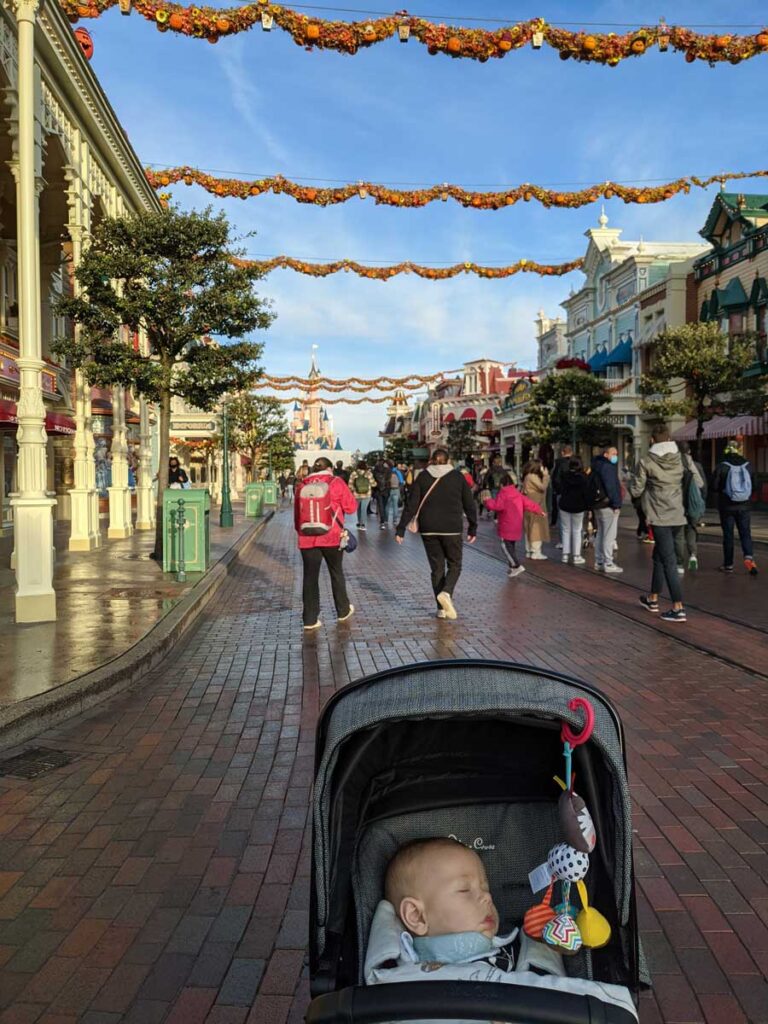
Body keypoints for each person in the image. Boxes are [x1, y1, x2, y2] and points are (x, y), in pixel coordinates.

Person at [396, 448, 477, 620]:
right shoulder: (457, 477)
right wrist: (473, 527)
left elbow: (411, 504)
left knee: (437, 568)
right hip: (452, 528)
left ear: (432, 460)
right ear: (448, 461)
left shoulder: (423, 477)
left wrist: (401, 528)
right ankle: (446, 593)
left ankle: (441, 608)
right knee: (455, 564)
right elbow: (469, 503)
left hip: (429, 528)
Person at [629, 426, 687, 622]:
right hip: (678, 514)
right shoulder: (681, 459)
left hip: (659, 515)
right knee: (660, 557)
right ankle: (652, 599)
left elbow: (636, 490)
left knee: (669, 560)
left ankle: (678, 607)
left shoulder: (646, 461)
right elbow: (697, 482)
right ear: (669, 438)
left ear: (653, 440)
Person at [294, 457, 357, 631]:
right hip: (332, 536)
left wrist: (301, 532)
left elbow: (297, 515)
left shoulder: (302, 485)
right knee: (336, 572)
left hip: (307, 537)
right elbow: (351, 507)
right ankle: (342, 610)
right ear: (330, 468)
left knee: (310, 576)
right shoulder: (336, 482)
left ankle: (309, 619)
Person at [711, 439, 758, 576]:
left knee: (728, 535)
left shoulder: (722, 466)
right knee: (745, 533)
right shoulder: (749, 466)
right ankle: (749, 557)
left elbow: (714, 486)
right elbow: (754, 485)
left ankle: (728, 564)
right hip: (744, 506)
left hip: (726, 507)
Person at [484, 473, 545, 578]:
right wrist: (539, 511)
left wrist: (487, 501)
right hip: (516, 524)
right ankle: (512, 567)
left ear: (502, 485)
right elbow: (529, 503)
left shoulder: (503, 495)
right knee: (511, 545)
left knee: (505, 546)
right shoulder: (517, 494)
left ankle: (516, 565)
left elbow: (497, 506)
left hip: (506, 525)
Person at [590, 445, 624, 574]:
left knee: (601, 533)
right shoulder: (608, 467)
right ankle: (608, 562)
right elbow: (612, 487)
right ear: (606, 454)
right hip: (607, 505)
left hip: (598, 505)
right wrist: (616, 504)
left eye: (616, 453)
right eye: (613, 453)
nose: (616, 456)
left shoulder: (596, 465)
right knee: (609, 535)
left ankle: (599, 561)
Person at [674, 441, 706, 572]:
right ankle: (693, 555)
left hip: (679, 505)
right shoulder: (697, 466)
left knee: (679, 534)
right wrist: (701, 502)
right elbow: (703, 487)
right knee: (692, 530)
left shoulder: (674, 465)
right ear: (689, 451)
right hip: (693, 504)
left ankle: (680, 563)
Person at [557, 456, 594, 565]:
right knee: (577, 530)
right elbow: (587, 494)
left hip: (564, 505)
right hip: (578, 506)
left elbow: (559, 488)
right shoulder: (583, 478)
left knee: (565, 529)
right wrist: (589, 508)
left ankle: (565, 554)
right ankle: (576, 555)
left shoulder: (564, 476)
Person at [521, 459, 549, 559]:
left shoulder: (527, 476)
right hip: (536, 504)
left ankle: (529, 550)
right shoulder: (532, 476)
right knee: (536, 527)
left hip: (529, 504)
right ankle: (536, 551)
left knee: (529, 526)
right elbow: (542, 487)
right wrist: (546, 476)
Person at [550, 443, 573, 535]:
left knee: (563, 519)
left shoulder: (559, 464)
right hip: (575, 494)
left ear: (563, 453)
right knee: (576, 523)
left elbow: (556, 479)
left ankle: (563, 542)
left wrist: (558, 490)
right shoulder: (576, 462)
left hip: (562, 493)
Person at [348, 460, 376, 530]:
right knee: (364, 509)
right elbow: (373, 484)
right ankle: (362, 524)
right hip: (367, 494)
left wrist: (354, 489)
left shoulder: (354, 473)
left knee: (358, 509)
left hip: (356, 494)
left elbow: (350, 485)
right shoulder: (369, 473)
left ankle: (359, 522)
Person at [385, 461, 405, 529]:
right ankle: (395, 520)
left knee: (387, 505)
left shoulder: (387, 471)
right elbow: (401, 481)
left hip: (389, 490)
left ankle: (386, 520)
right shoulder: (397, 472)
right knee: (395, 505)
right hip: (396, 489)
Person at [373, 457, 390, 528]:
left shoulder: (375, 470)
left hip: (378, 490)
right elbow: (389, 479)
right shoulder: (387, 470)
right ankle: (385, 519)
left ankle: (382, 521)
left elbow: (373, 481)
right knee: (385, 504)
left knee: (380, 506)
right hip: (386, 489)